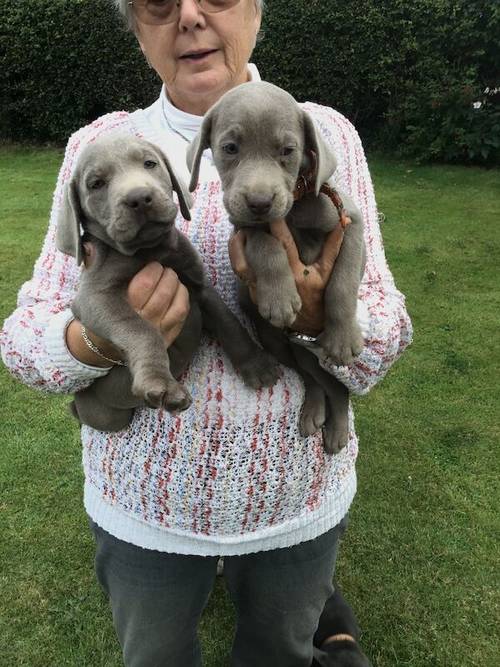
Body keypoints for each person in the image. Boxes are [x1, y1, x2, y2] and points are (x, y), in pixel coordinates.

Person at [0, 1, 413, 666]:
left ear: (256, 8)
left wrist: (320, 322)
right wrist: (100, 340)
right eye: (159, 4)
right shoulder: (95, 148)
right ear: (137, 30)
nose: (189, 17)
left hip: (296, 498)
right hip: (144, 511)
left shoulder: (322, 132)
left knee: (279, 653)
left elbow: (386, 330)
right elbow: (21, 342)